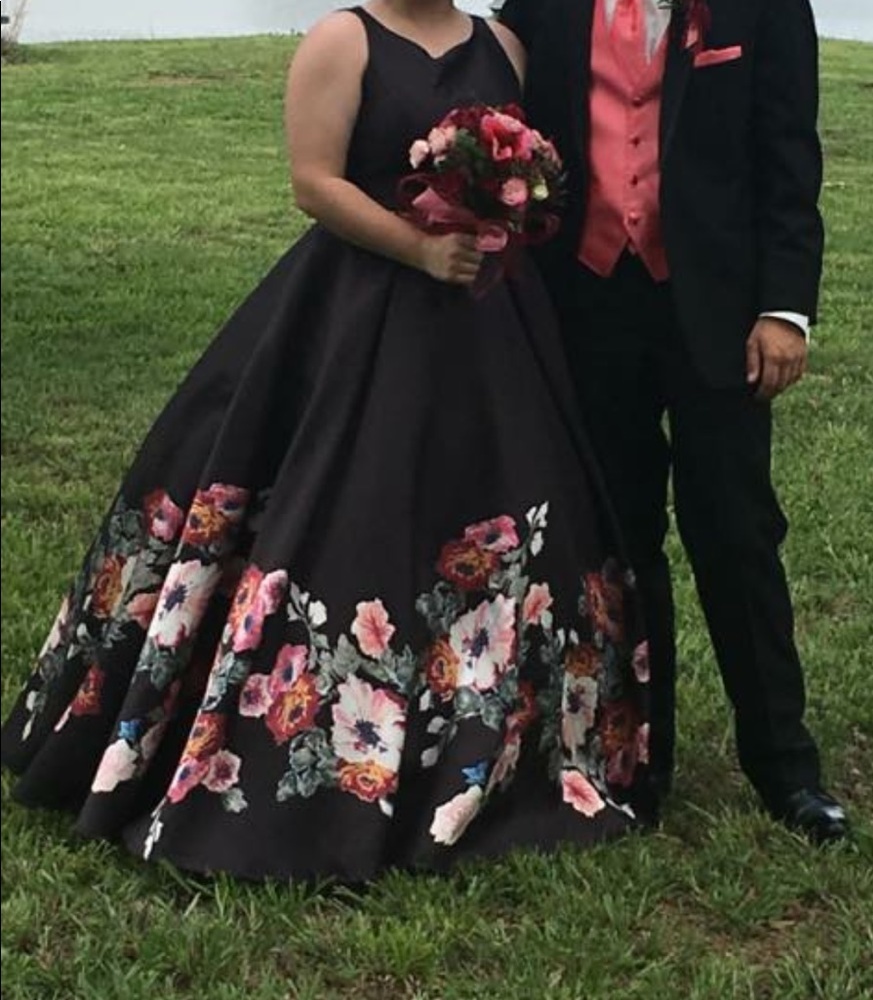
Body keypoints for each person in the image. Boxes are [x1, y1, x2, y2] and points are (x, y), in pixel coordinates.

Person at [0, 0, 657, 883]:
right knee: (343, 508)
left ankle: (500, 749)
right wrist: (420, 251)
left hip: (493, 327)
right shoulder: (343, 41)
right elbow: (315, 184)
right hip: (357, 316)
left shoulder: (504, 45)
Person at [498, 0, 849, 843]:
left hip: (718, 312)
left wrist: (785, 309)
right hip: (588, 304)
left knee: (736, 532)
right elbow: (490, 96)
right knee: (621, 543)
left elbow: (788, 155)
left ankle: (785, 766)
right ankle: (637, 762)